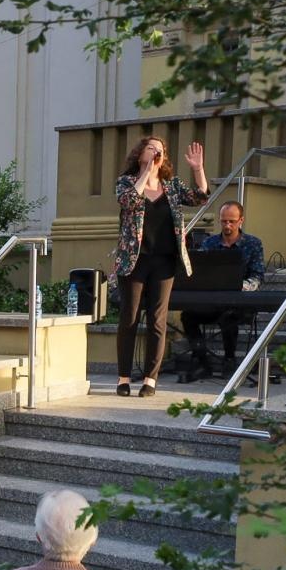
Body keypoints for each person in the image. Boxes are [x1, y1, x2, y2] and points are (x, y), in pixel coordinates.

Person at [113, 136, 210, 397]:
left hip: (164, 260)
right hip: (134, 260)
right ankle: (123, 378)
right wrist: (146, 173)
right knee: (129, 317)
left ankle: (150, 380)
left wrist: (198, 169)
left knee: (157, 320)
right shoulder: (126, 182)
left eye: (161, 150)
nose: (157, 152)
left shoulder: (173, 186)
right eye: (151, 148)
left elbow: (201, 197)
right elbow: (130, 201)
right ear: (140, 153)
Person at [181, 200, 265, 378]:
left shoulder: (252, 244)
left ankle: (229, 359)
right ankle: (201, 361)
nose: (227, 225)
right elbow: (199, 273)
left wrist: (239, 286)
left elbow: (257, 276)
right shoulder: (210, 243)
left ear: (241, 220)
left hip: (238, 303)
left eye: (232, 221)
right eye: (224, 221)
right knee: (188, 315)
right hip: (212, 301)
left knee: (230, 316)